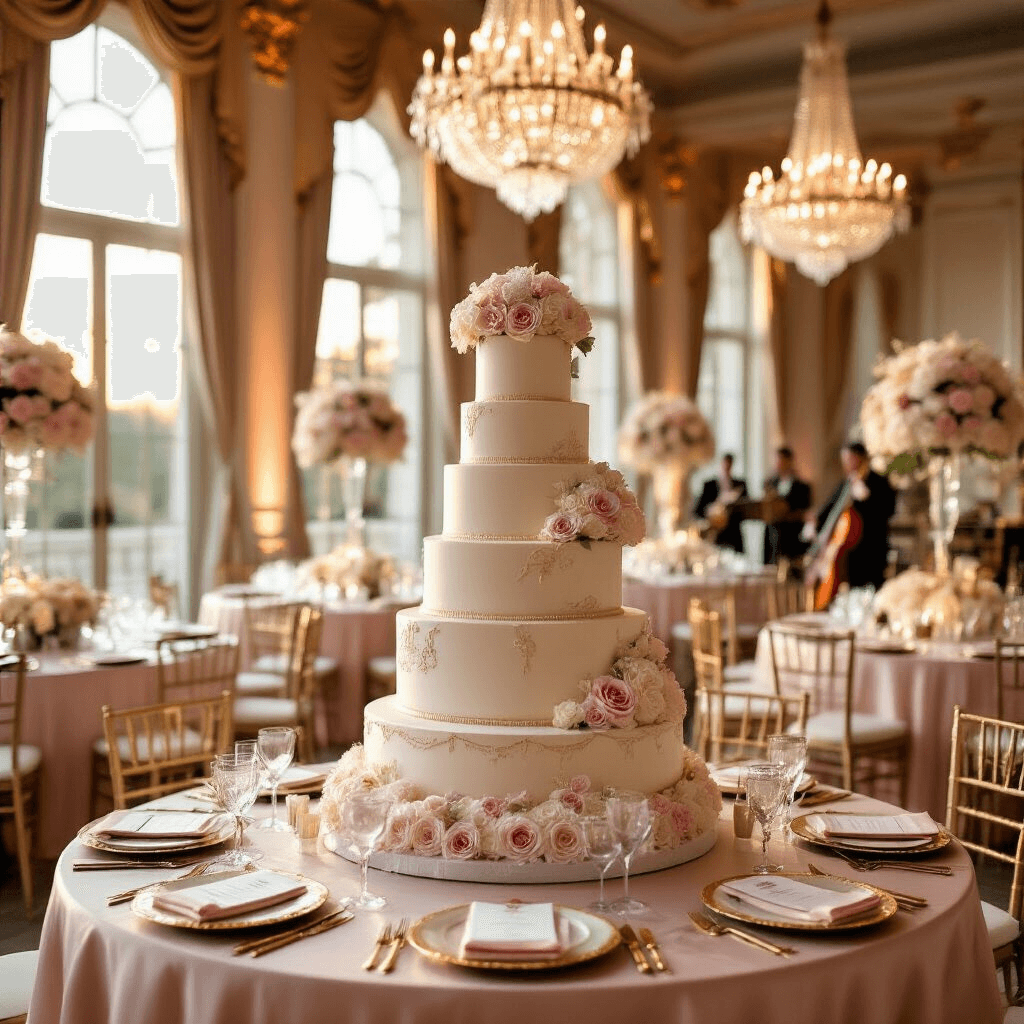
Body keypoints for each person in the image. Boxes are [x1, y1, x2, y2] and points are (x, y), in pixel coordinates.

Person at [810, 441, 896, 591]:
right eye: (845, 460)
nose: (847, 464)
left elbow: (888, 510)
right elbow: (829, 508)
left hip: (872, 548)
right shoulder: (846, 483)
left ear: (861, 458)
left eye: (850, 459)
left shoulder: (879, 480)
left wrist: (867, 498)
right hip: (851, 554)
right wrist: (815, 522)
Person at [762, 446, 812, 566]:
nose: (778, 463)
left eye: (781, 460)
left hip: (792, 538)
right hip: (773, 538)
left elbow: (804, 511)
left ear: (789, 461)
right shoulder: (770, 484)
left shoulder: (802, 487)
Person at [694, 453, 748, 553]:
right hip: (715, 534)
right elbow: (698, 510)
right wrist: (714, 508)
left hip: (734, 534)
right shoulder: (709, 485)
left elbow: (747, 508)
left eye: (729, 464)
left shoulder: (740, 484)